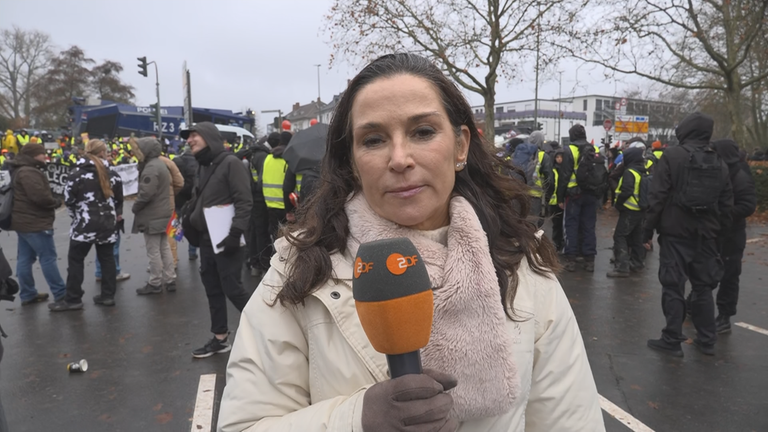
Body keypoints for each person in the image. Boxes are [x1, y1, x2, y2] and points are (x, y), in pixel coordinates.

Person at [218, 53, 604, 432]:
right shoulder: (298, 267)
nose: (399, 158)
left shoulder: (521, 262)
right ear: (352, 161)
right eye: (373, 139)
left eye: (422, 132)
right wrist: (356, 419)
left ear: (461, 145)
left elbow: (569, 418)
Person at [643, 112, 733, 357]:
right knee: (703, 288)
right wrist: (720, 237)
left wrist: (646, 231)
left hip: (675, 233)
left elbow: (657, 197)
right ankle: (707, 340)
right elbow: (726, 206)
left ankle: (672, 339)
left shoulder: (672, 156)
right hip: (707, 236)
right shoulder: (719, 161)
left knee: (673, 286)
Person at [180, 122, 253, 359]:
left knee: (233, 288)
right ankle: (220, 338)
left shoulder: (231, 163)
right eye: (188, 137)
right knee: (212, 288)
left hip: (226, 238)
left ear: (209, 137)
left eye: (194, 136)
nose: (189, 140)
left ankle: (273, 329)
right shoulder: (204, 165)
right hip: (206, 239)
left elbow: (244, 201)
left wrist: (235, 233)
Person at [49, 140, 124, 311]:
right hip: (107, 224)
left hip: (84, 225)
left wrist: (77, 218)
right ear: (103, 153)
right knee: (107, 259)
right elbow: (119, 200)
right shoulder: (113, 174)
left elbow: (69, 201)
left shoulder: (75, 174)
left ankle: (73, 298)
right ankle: (108, 296)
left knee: (76, 261)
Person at [10, 144, 66, 306]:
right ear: (34, 155)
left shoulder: (21, 169)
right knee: (48, 258)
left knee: (25, 259)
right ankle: (61, 294)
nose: (45, 156)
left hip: (23, 222)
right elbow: (40, 197)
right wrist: (55, 201)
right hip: (35, 222)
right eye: (42, 154)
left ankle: (28, 294)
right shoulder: (29, 172)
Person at [711, 139, 756, 333]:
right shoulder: (719, 171)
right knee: (706, 269)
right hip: (715, 231)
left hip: (731, 234)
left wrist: (722, 213)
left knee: (729, 276)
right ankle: (694, 303)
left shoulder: (739, 175)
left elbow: (747, 206)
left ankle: (724, 316)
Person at [131, 137, 177, 294]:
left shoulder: (151, 168)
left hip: (153, 215)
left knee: (153, 250)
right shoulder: (160, 164)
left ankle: (155, 282)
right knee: (164, 247)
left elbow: (146, 193)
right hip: (164, 213)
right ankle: (170, 279)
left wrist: (135, 207)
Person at [556, 124, 600, 272]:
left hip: (574, 194)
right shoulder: (593, 149)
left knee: (571, 226)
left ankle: (571, 259)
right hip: (591, 193)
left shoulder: (569, 150)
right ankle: (589, 260)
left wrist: (560, 197)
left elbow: (565, 176)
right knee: (588, 226)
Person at [607, 147, 647, 278]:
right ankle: (637, 263)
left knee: (620, 236)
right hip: (639, 210)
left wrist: (618, 204)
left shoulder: (629, 172)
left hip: (629, 209)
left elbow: (627, 191)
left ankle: (622, 267)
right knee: (636, 238)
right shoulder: (641, 171)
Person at [244, 134, 273, 278]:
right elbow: (263, 179)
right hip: (260, 198)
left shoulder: (254, 154)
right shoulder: (262, 156)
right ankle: (262, 264)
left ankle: (254, 262)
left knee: (255, 231)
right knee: (261, 233)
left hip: (254, 197)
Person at [262, 131, 291, 247]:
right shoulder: (289, 158)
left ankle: (274, 260)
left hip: (270, 204)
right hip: (285, 205)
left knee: (275, 237)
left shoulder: (268, 158)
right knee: (287, 239)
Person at [173, 144, 200, 260]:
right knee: (192, 225)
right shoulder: (199, 162)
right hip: (192, 199)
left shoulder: (176, 161)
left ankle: (174, 251)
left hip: (178, 198)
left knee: (174, 223)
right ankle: (192, 252)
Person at [159, 153, 184, 267]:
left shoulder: (146, 163)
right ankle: (173, 260)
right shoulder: (168, 162)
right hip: (170, 204)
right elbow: (179, 182)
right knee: (172, 233)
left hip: (153, 207)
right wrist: (171, 194)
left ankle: (159, 263)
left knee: (155, 236)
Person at [548, 149, 565, 252]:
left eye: (561, 157)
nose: (559, 159)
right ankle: (556, 243)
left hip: (563, 200)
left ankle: (562, 243)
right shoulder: (552, 169)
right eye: (557, 157)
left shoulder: (565, 169)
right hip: (554, 202)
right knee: (556, 224)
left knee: (563, 224)